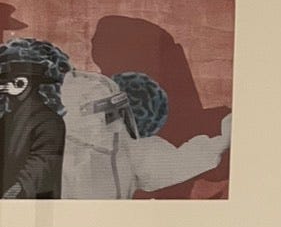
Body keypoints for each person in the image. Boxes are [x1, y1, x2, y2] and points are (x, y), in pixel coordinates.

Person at [59, 68, 231, 200]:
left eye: (118, 111)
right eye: (110, 112)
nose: (117, 120)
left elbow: (176, 163)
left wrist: (223, 140)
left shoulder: (124, 149)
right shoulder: (57, 158)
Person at [0, 38, 70, 200]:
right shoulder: (7, 118)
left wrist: (16, 189)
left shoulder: (50, 121)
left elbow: (43, 163)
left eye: (11, 81)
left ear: (24, 84)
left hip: (31, 198)